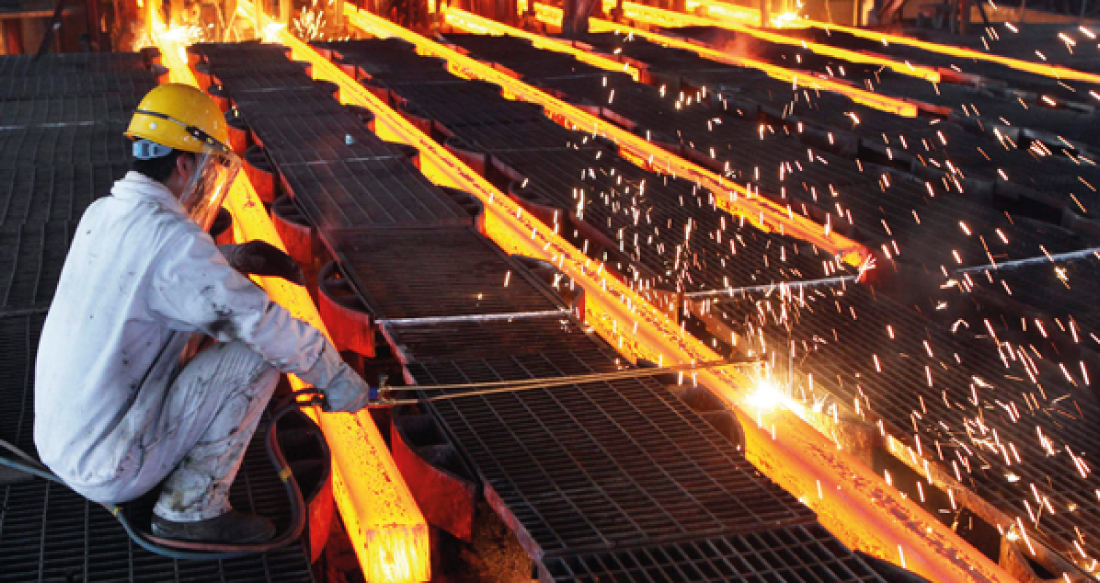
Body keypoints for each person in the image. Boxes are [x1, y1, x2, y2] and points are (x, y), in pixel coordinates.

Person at [34, 83, 370, 544]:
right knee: (257, 355)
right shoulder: (172, 243)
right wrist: (335, 377)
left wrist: (229, 259)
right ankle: (191, 510)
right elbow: (260, 324)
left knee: (220, 334)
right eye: (206, 170)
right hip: (109, 463)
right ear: (185, 163)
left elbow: (143, 273)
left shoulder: (103, 213)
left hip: (63, 440)